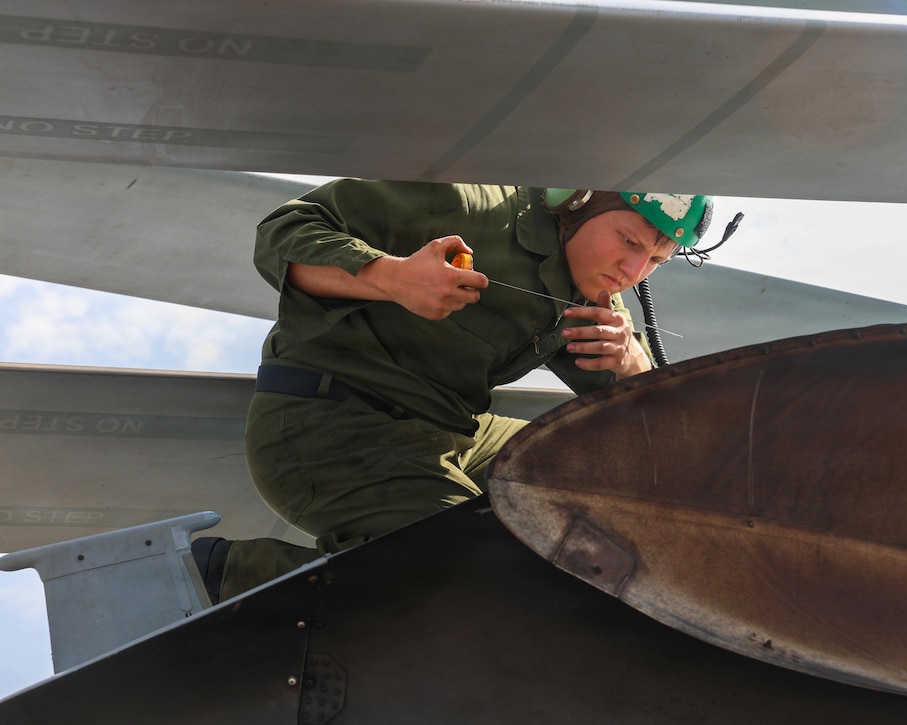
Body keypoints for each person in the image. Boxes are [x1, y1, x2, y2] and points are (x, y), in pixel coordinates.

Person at [195, 180, 719, 602]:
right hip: (329, 426)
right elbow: (283, 231)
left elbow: (645, 415)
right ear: (577, 199)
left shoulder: (595, 289)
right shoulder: (472, 206)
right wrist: (390, 277)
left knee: (603, 473)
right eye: (629, 241)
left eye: (655, 260)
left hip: (446, 435)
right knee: (475, 580)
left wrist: (631, 363)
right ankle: (220, 579)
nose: (634, 271)